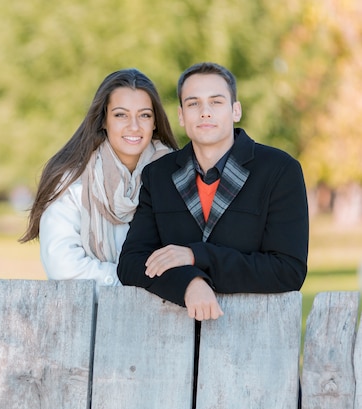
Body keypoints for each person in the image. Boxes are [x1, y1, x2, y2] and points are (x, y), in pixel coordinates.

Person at [117, 62, 309, 321]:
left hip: (254, 333)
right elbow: (131, 263)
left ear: (235, 110)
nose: (205, 112)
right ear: (182, 115)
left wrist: (196, 256)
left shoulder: (279, 170)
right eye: (193, 103)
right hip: (170, 337)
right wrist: (189, 281)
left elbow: (287, 270)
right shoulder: (158, 175)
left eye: (216, 102)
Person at [19, 68, 179, 299]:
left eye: (144, 115)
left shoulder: (179, 177)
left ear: (155, 122)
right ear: (103, 119)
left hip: (167, 316)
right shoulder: (72, 183)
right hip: (88, 319)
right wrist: (133, 280)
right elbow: (62, 266)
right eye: (120, 115)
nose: (134, 126)